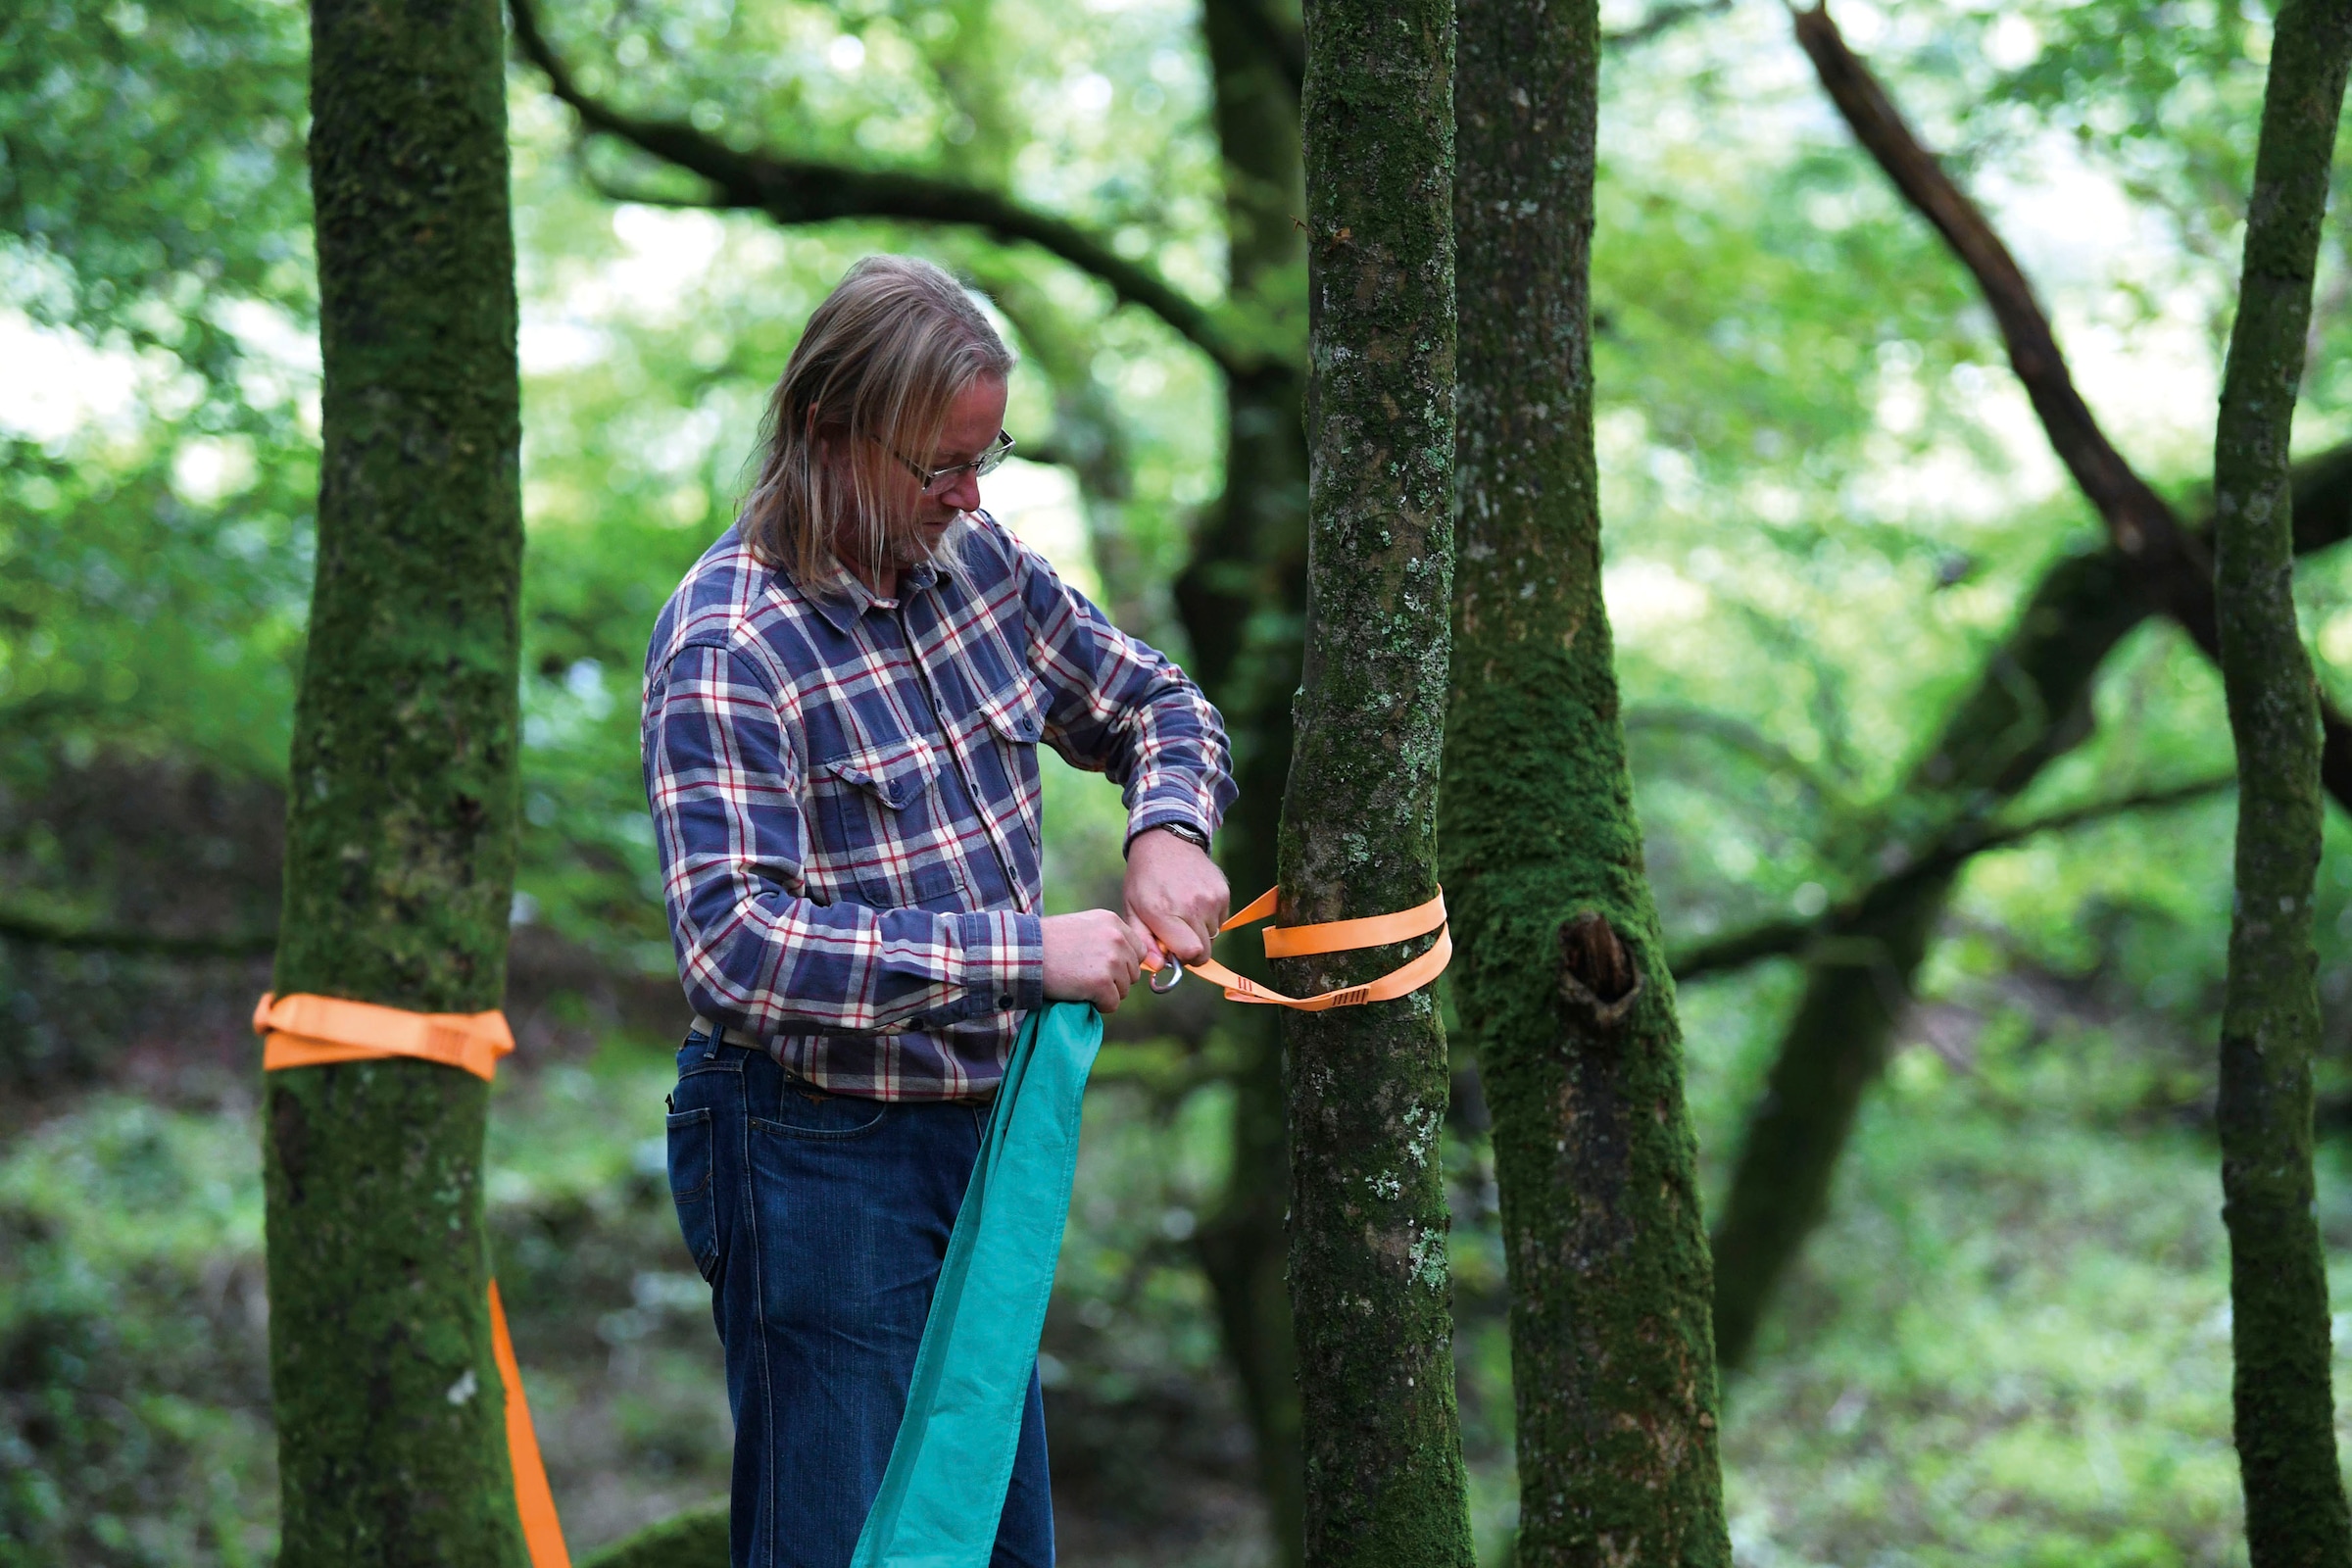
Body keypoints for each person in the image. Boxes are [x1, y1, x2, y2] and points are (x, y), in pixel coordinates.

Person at [641, 254, 1236, 1568]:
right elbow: (737, 952)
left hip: (979, 1148)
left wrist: (1166, 827)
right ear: (826, 434)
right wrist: (1030, 957)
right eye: (938, 467)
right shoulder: (730, 644)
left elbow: (1157, 704)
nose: (970, 497)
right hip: (811, 1153)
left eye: (989, 458)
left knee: (991, 1543)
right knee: (852, 1548)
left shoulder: (982, 569)